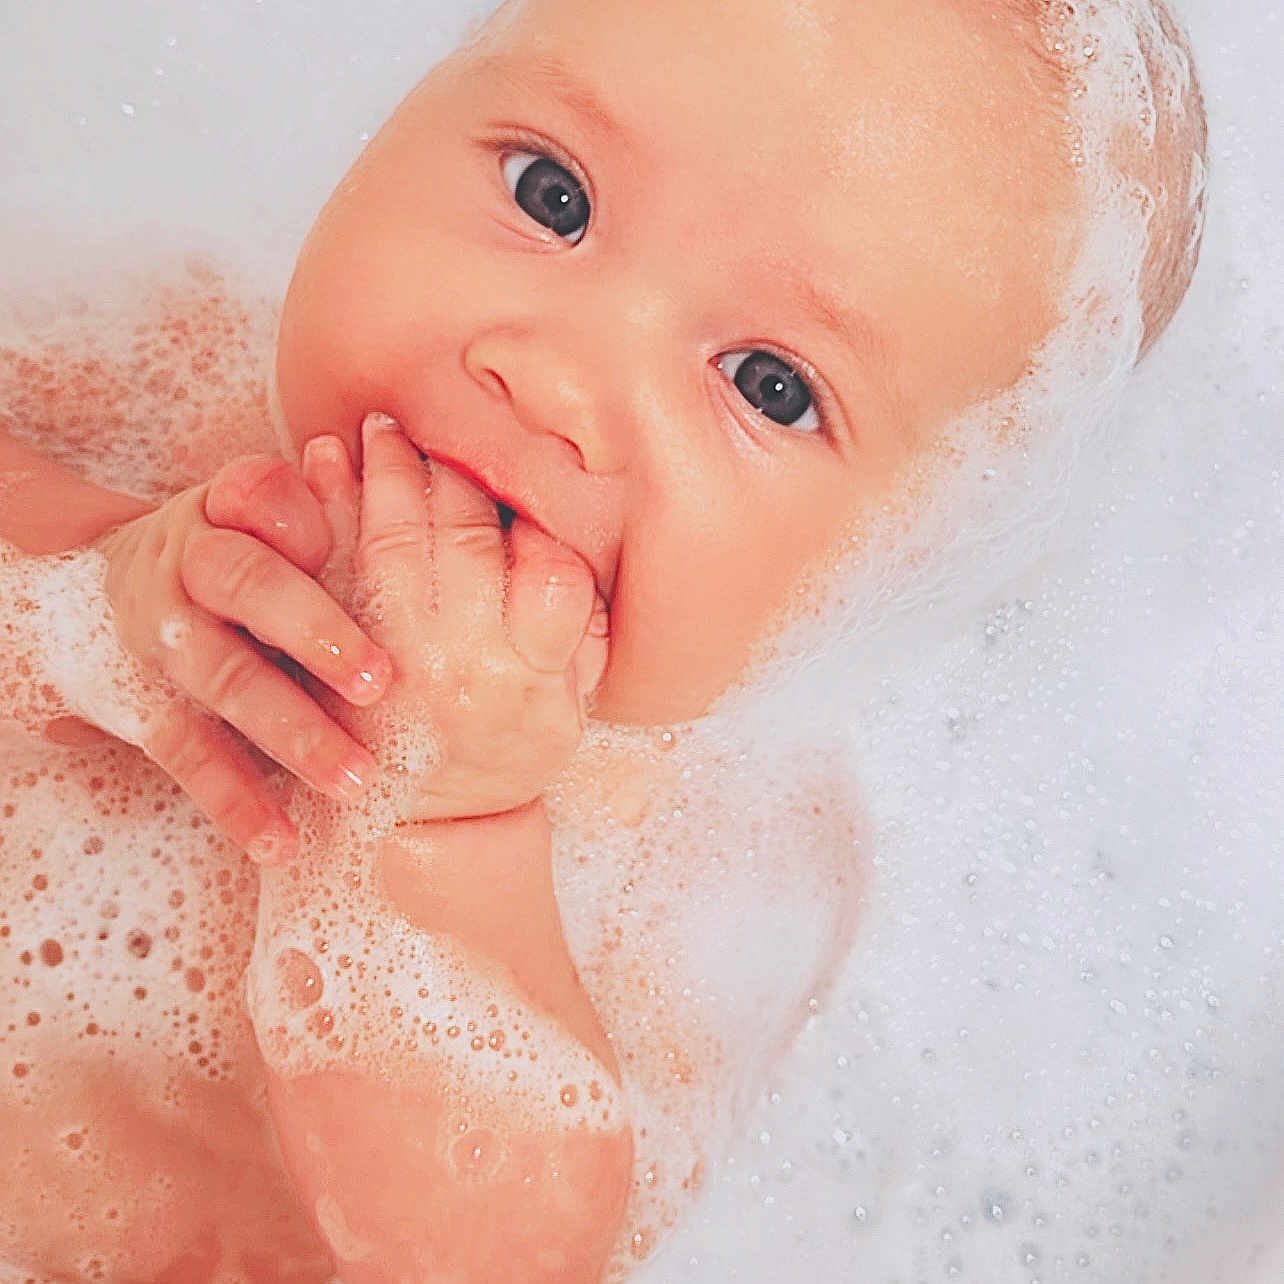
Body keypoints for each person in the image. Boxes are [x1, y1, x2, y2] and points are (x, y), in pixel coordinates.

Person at [0, 0, 1206, 1278]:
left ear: (885, 573)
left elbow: (489, 1254)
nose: (556, 380)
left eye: (768, 385)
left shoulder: (733, 862)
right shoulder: (156, 365)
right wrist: (90, 581)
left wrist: (440, 832)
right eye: (552, 195)